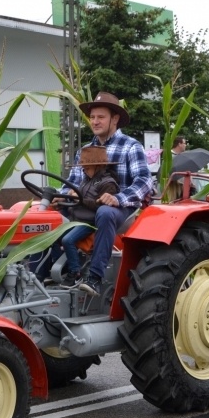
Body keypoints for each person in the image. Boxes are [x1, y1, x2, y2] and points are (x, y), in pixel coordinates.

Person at [65, 92, 152, 296]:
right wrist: (63, 194)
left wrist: (118, 198)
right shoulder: (86, 150)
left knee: (104, 212)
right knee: (48, 214)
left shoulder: (130, 146)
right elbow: (74, 181)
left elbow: (144, 180)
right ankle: (55, 273)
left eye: (100, 117)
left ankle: (94, 277)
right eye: (92, 117)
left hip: (122, 209)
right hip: (87, 205)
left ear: (115, 119)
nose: (95, 121)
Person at [59, 146, 119, 288]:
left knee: (67, 240)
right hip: (76, 218)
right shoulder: (86, 180)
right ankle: (55, 270)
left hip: (88, 222)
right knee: (52, 234)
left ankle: (75, 272)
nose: (83, 169)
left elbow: (100, 207)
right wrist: (66, 198)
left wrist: (78, 200)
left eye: (86, 167)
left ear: (97, 166)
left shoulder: (108, 184)